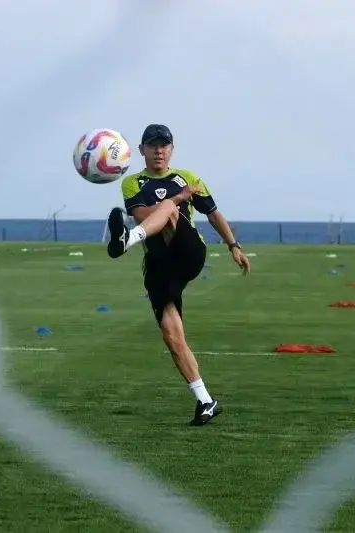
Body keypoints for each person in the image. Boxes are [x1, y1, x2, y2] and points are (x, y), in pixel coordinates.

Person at [105, 124, 251, 425]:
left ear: (171, 149)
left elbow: (213, 213)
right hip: (159, 264)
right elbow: (142, 215)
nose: (159, 150)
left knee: (171, 208)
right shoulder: (133, 182)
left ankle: (126, 242)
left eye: (164, 145)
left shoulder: (188, 178)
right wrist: (176, 199)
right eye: (153, 145)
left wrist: (233, 245)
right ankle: (205, 401)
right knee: (172, 336)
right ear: (141, 150)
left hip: (188, 252)